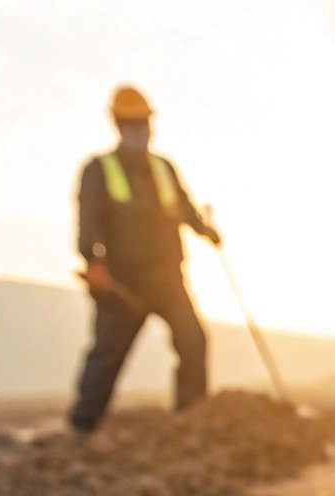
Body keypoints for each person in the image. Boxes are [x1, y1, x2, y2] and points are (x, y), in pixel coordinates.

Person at [69, 85, 221, 433]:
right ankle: (83, 427)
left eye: (142, 122)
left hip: (168, 278)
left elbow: (183, 207)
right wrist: (92, 261)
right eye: (130, 123)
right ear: (117, 125)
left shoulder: (164, 167)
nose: (138, 130)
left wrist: (206, 231)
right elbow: (88, 219)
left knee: (193, 341)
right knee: (108, 354)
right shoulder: (99, 169)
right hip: (123, 284)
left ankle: (190, 419)